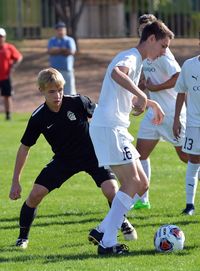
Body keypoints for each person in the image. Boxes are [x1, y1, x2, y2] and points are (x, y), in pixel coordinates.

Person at [9, 68, 136, 249]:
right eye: (52, 91)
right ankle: (22, 238)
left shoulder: (78, 102)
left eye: (60, 90)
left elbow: (104, 116)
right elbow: (24, 148)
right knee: (35, 194)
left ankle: (120, 221)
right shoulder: (38, 117)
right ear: (42, 91)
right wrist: (15, 181)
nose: (57, 95)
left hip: (93, 155)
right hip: (64, 160)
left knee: (111, 191)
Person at [88, 20, 170, 255]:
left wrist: (148, 101)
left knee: (142, 183)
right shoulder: (132, 56)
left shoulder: (137, 60)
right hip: (110, 128)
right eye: (163, 46)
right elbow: (116, 74)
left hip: (114, 128)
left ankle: (103, 229)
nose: (164, 52)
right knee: (133, 183)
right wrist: (142, 94)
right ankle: (108, 243)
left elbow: (125, 92)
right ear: (151, 39)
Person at [133, 14, 188, 210]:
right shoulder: (143, 54)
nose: (145, 31)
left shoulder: (164, 54)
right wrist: (141, 92)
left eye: (148, 27)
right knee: (139, 155)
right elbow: (145, 79)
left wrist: (156, 88)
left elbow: (180, 77)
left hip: (172, 114)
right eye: (142, 29)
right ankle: (142, 199)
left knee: (187, 157)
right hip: (153, 114)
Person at [173, 55, 200, 216]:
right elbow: (181, 92)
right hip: (193, 124)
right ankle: (189, 205)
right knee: (193, 160)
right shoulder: (189, 65)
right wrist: (176, 119)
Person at [47, 22, 76, 95]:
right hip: (54, 71)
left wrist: (57, 50)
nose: (61, 32)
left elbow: (71, 52)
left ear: (65, 31)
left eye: (62, 30)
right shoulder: (52, 40)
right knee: (56, 90)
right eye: (59, 30)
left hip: (67, 70)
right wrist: (62, 49)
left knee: (69, 91)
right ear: (56, 31)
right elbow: (50, 51)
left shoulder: (69, 40)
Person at [0, 27, 23, 120]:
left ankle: (8, 115)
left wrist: (13, 66)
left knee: (7, 95)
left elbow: (19, 57)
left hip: (5, 76)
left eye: (1, 36)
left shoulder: (9, 47)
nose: (0, 38)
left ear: (4, 37)